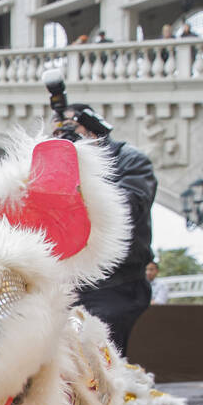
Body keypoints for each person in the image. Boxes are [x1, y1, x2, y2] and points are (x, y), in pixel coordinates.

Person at [55, 103, 157, 354]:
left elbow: (127, 208)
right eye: (58, 132)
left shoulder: (130, 160)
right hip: (72, 283)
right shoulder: (61, 166)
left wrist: (85, 173)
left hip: (118, 283)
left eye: (72, 129)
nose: (65, 137)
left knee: (100, 355)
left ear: (92, 129)